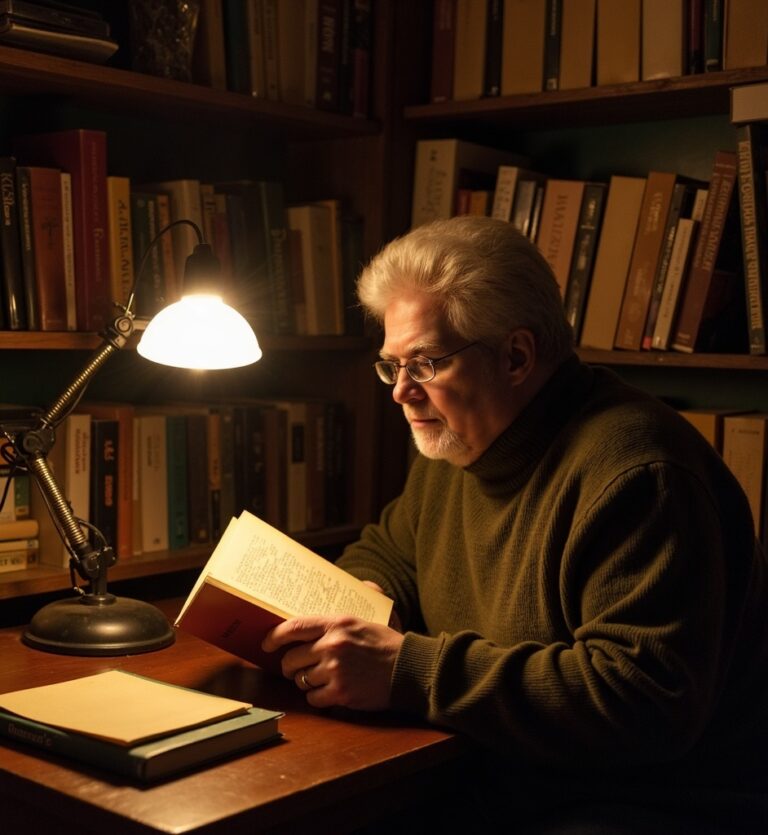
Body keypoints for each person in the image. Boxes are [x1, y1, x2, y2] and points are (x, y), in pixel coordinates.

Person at [262, 215, 768, 833]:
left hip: (642, 804)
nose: (400, 392)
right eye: (391, 365)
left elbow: (642, 701)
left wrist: (406, 670)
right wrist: (365, 597)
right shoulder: (458, 444)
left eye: (425, 363)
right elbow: (388, 552)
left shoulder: (641, 475)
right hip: (492, 771)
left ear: (517, 356)